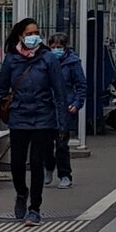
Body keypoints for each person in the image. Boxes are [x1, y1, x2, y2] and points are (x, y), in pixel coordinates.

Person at [0, 17, 68, 227]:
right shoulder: (12, 60)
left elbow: (60, 93)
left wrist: (62, 124)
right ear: (20, 36)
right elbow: (0, 89)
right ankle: (22, 193)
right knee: (17, 164)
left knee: (37, 163)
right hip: (19, 117)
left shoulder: (48, 59)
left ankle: (35, 208)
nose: (33, 37)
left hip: (43, 119)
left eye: (36, 33)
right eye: (29, 33)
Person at [47, 33, 86, 188]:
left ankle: (65, 174)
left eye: (59, 47)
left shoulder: (72, 63)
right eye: (53, 47)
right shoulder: (46, 62)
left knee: (62, 144)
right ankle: (49, 167)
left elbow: (81, 85)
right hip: (48, 107)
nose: (56, 50)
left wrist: (76, 104)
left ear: (65, 48)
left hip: (65, 107)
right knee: (45, 143)